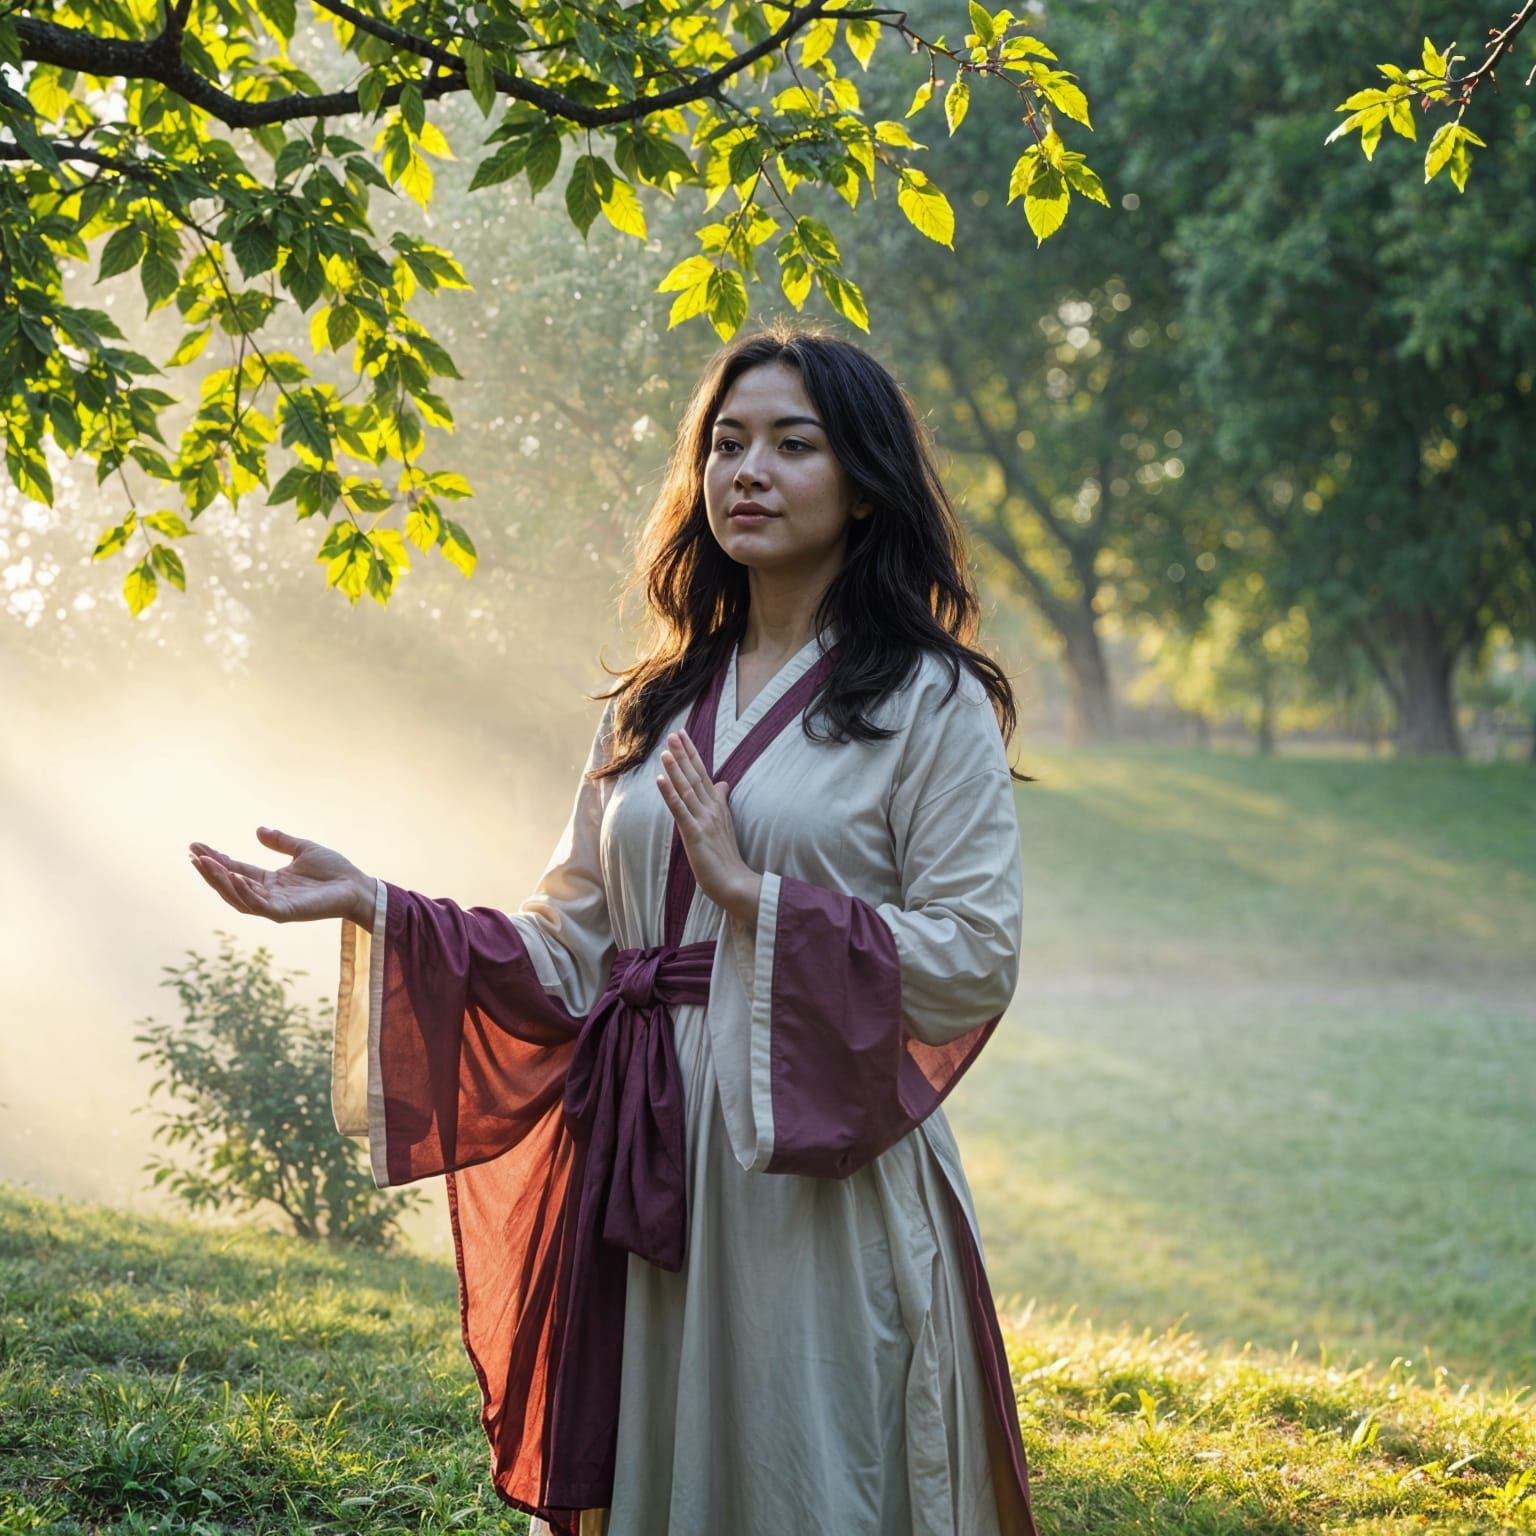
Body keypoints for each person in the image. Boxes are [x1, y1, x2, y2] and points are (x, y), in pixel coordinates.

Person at [189, 322, 1040, 1536]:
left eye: (794, 446)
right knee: (656, 1467)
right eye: (727, 444)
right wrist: (382, 902)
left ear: (863, 486)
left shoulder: (930, 699)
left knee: (811, 1467)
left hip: (808, 1159)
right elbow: (571, 947)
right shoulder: (656, 704)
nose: (749, 472)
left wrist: (762, 904)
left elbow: (974, 953)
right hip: (644, 1141)